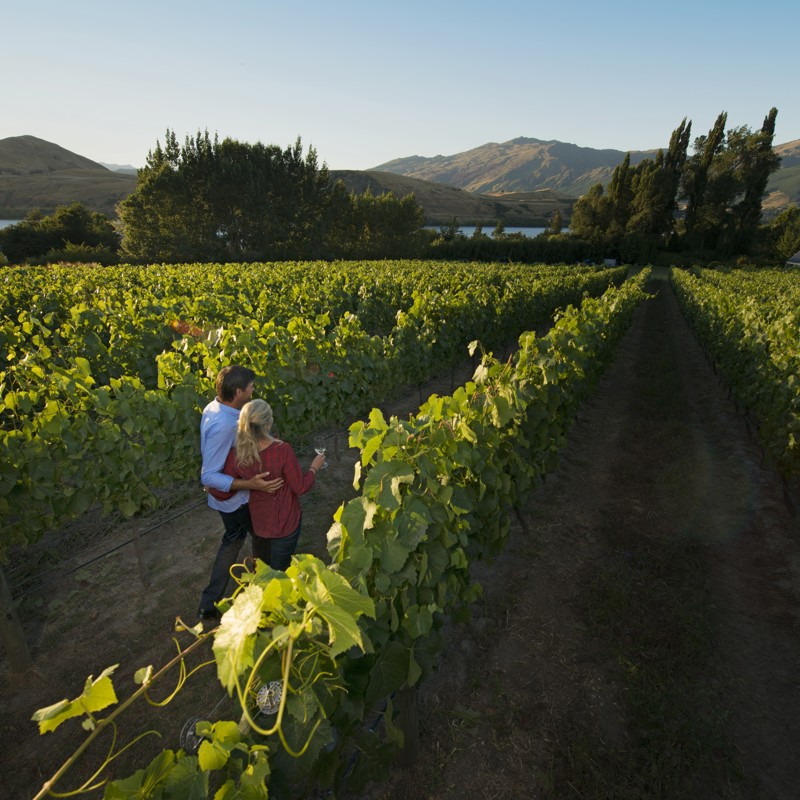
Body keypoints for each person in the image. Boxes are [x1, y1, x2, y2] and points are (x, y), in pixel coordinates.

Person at [197, 366, 283, 621]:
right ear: (237, 392)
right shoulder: (225, 424)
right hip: (234, 499)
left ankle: (208, 603)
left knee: (233, 539)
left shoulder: (213, 408)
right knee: (262, 535)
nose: (253, 390)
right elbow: (208, 475)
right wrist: (252, 485)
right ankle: (264, 588)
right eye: (250, 388)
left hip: (223, 499)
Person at [216, 398, 325, 570]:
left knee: (263, 569)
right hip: (285, 522)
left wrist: (248, 484)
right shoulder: (282, 450)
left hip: (260, 522)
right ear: (267, 424)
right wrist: (314, 467)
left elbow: (224, 487)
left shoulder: (237, 454)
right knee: (280, 571)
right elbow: (301, 487)